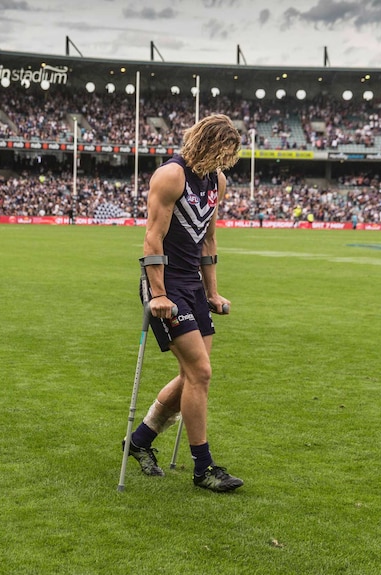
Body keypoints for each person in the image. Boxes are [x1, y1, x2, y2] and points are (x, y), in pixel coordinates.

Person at [124, 114, 244, 493]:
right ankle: (203, 468)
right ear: (209, 144)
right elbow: (152, 238)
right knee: (201, 373)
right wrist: (158, 293)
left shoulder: (217, 182)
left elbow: (208, 240)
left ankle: (139, 441)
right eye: (225, 152)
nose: (228, 161)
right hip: (165, 283)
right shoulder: (171, 176)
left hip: (191, 283)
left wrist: (211, 292)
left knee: (193, 374)